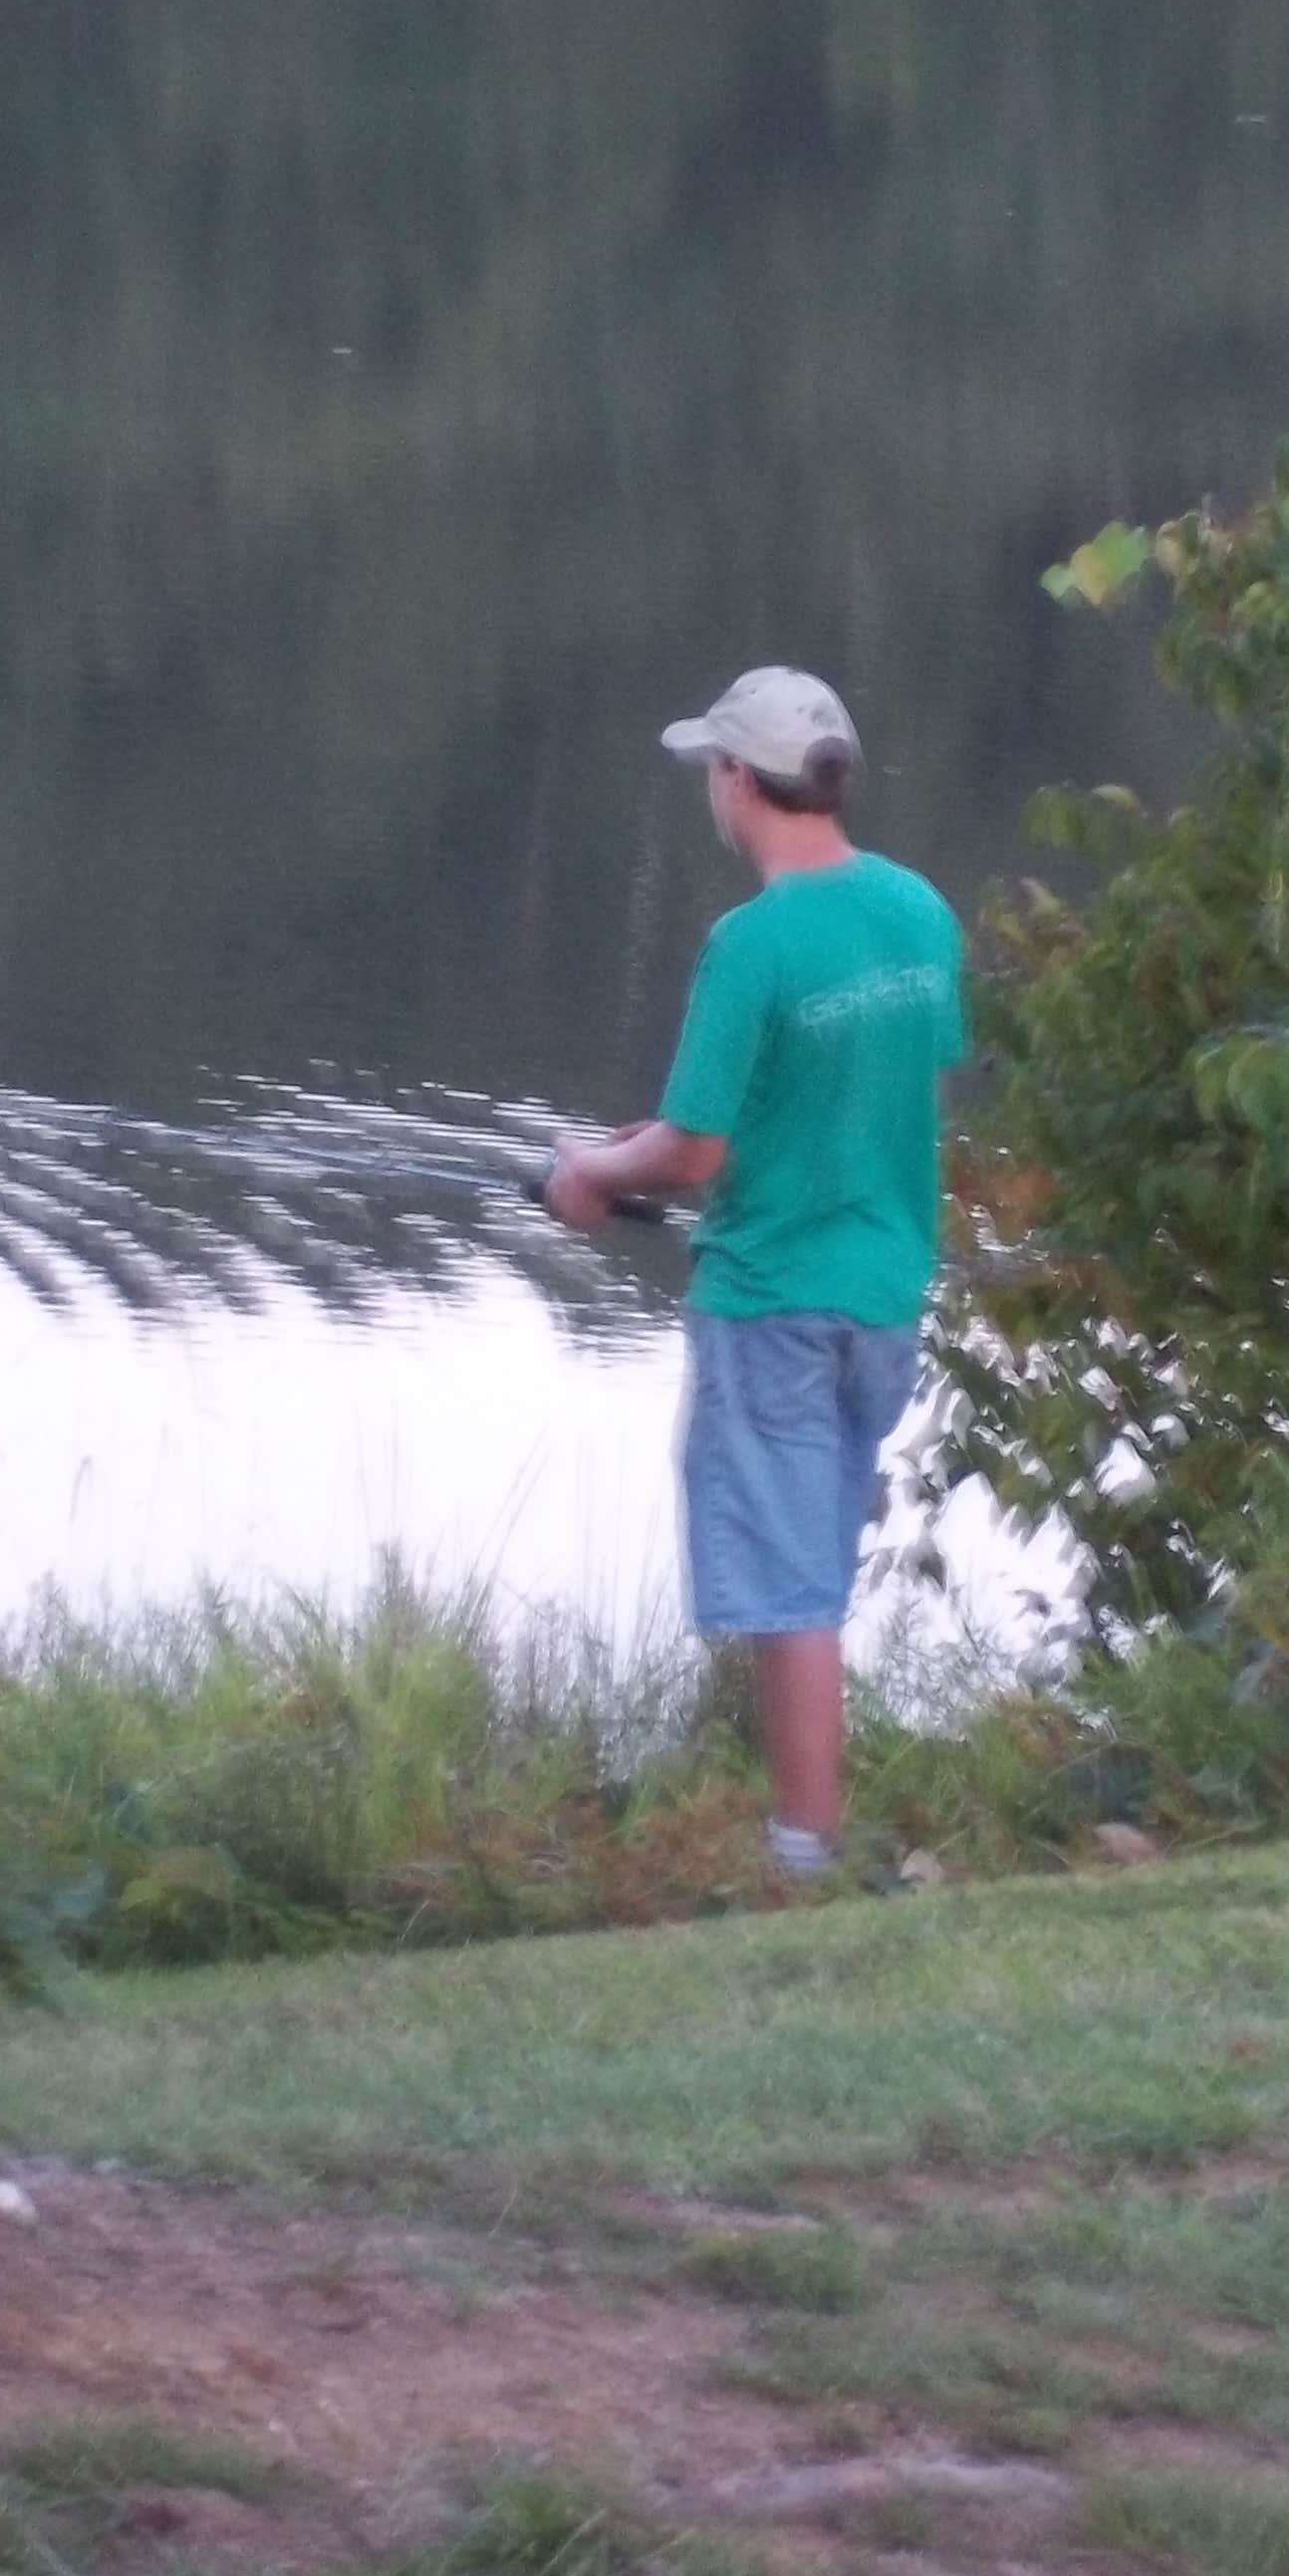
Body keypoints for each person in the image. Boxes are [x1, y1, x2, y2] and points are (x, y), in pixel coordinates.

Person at [545, 666, 965, 1886]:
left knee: (789, 1587)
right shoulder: (919, 913)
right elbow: (875, 1081)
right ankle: (808, 1843)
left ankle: (803, 1858)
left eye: (711, 774)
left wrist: (589, 1174)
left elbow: (695, 1151)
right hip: (885, 1294)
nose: (710, 795)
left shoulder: (751, 944)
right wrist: (655, 1142)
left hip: (773, 1299)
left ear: (738, 779)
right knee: (814, 1560)